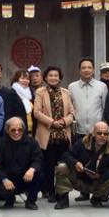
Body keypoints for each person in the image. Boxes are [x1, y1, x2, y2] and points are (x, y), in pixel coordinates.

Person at [54, 121, 109, 209]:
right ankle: (63, 199)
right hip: (79, 179)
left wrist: (100, 176)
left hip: (98, 182)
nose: (102, 136)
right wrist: (75, 163)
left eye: (105, 134)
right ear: (93, 133)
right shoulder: (83, 142)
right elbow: (66, 155)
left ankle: (97, 198)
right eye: (99, 133)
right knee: (61, 167)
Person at [33, 66, 75, 203]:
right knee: (48, 166)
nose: (53, 78)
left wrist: (64, 122)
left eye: (56, 75)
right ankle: (50, 192)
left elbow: (72, 113)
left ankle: (61, 192)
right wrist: (52, 123)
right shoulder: (40, 92)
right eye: (50, 75)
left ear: (60, 78)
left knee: (63, 166)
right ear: (45, 78)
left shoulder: (66, 92)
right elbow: (37, 112)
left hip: (63, 134)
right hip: (48, 135)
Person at [0, 117, 44, 210]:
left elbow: (38, 158)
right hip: (8, 179)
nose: (17, 132)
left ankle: (31, 201)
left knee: (39, 174)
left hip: (26, 177)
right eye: (13, 130)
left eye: (20, 130)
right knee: (0, 187)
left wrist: (32, 169)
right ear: (7, 130)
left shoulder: (31, 142)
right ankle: (9, 199)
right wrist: (4, 179)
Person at [68, 58, 108, 138]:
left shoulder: (102, 86)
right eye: (83, 68)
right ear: (79, 71)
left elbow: (105, 108)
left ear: (93, 70)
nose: (86, 70)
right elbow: (70, 109)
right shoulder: (72, 87)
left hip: (97, 132)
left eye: (89, 67)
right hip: (78, 131)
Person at [1, 69, 35, 136]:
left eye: (27, 79)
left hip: (31, 129)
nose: (25, 81)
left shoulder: (30, 93)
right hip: (17, 130)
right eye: (22, 78)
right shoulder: (11, 93)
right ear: (17, 79)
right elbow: (8, 113)